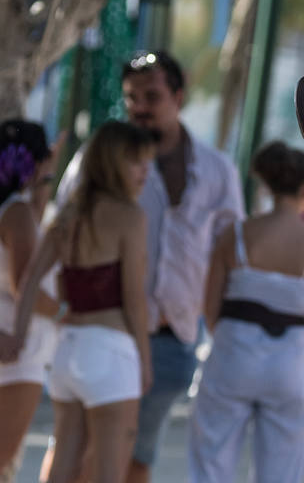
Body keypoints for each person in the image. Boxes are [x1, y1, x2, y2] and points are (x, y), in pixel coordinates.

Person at [55, 50, 245, 483]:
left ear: (178, 96)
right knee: (82, 453)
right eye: (131, 97)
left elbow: (229, 252)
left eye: (151, 96)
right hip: (107, 330)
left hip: (176, 337)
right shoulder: (97, 162)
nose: (139, 106)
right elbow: (62, 226)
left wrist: (220, 328)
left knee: (138, 456)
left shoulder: (217, 171)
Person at [2, 120, 155, 483]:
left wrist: (19, 335)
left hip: (67, 353)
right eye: (136, 162)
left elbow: (27, 282)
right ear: (113, 163)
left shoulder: (69, 213)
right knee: (107, 470)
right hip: (113, 351)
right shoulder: (129, 216)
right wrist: (146, 360)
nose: (145, 172)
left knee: (63, 464)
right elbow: (133, 298)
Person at [189, 141, 304, 483]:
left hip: (233, 348)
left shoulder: (236, 234)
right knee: (282, 469)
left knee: (211, 459)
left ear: (267, 184)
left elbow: (210, 304)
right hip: (290, 358)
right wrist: (300, 348)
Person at [0, 120, 58, 483]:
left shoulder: (16, 210)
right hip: (16, 352)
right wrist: (70, 310)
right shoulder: (16, 213)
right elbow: (26, 287)